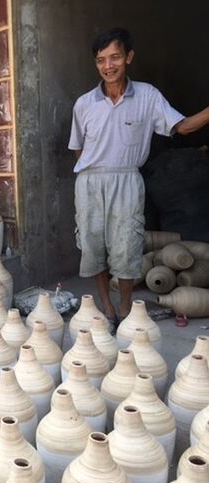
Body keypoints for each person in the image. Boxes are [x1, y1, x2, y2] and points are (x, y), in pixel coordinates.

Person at [68, 27, 209, 327]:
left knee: (128, 247)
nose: (108, 66)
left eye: (115, 57)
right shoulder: (84, 104)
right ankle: (106, 306)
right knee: (93, 247)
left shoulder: (148, 96)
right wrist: (96, 172)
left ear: (129, 57)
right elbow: (78, 148)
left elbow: (181, 127)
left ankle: (125, 306)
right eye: (101, 60)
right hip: (90, 183)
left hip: (128, 181)